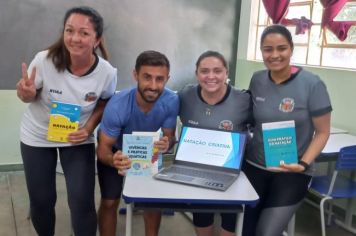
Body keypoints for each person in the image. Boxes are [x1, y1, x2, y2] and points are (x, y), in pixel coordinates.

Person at [16, 6, 117, 236]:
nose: (75, 38)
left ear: (96, 39)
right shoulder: (44, 61)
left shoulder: (107, 73)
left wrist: (89, 128)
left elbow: (105, 102)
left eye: (83, 33)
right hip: (37, 136)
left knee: (81, 202)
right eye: (69, 31)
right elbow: (26, 95)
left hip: (77, 138)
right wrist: (26, 93)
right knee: (42, 201)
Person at [242, 24, 332, 236]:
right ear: (261, 51)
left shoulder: (313, 84)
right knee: (245, 229)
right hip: (254, 166)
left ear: (291, 49)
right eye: (267, 49)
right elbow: (250, 118)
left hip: (292, 173)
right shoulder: (257, 79)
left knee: (267, 232)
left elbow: (322, 132)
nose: (274, 55)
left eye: (281, 48)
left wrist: (303, 164)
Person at [96, 50, 179, 236]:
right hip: (114, 149)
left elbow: (170, 137)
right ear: (135, 75)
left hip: (146, 148)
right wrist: (112, 160)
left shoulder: (171, 100)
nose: (153, 85)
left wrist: (168, 144)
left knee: (152, 200)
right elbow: (102, 150)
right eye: (147, 77)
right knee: (110, 201)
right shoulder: (118, 105)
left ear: (167, 78)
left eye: (160, 79)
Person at [179, 50, 251, 236]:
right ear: (197, 74)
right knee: (202, 220)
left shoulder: (243, 100)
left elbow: (262, 126)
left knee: (229, 224)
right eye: (204, 71)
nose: (211, 76)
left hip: (233, 174)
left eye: (217, 71)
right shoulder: (185, 96)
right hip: (197, 173)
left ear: (226, 73)